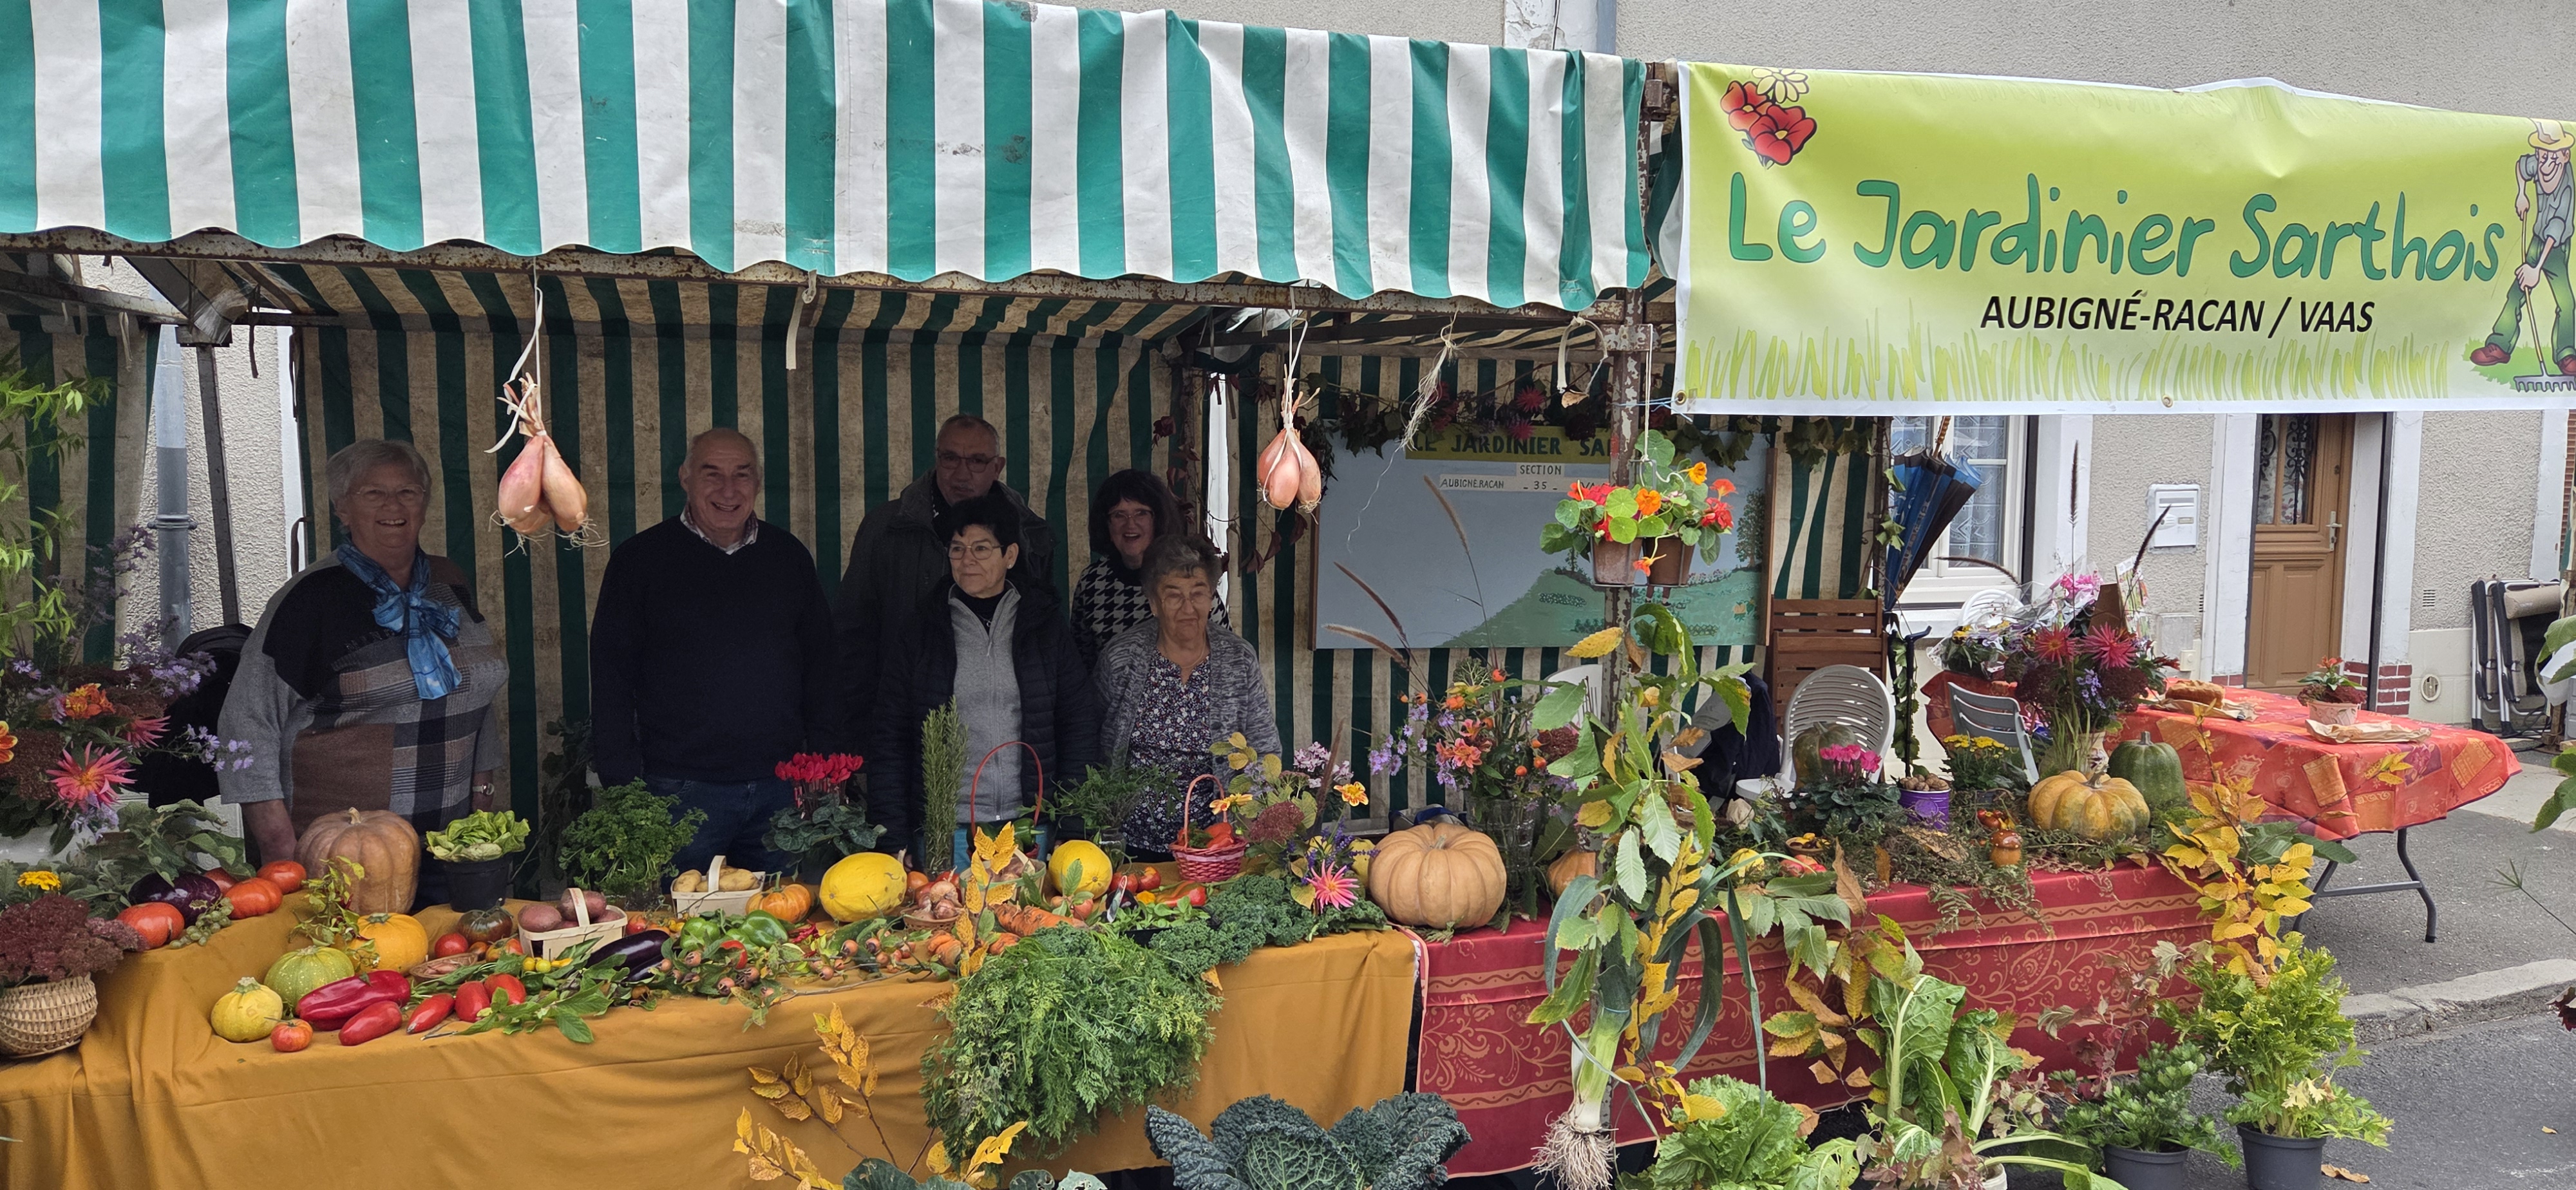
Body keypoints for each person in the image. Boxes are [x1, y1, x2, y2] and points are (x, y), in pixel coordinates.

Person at [219, 440, 506, 905]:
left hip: (448, 845)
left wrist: (482, 792)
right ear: (342, 508)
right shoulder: (311, 599)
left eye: (408, 492)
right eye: (374, 493)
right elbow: (245, 724)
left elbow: (477, 690)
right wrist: (278, 847)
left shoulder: (448, 581)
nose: (394, 506)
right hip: (342, 863)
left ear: (425, 504)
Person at [589, 428, 841, 876]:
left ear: (757, 482)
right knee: (679, 917)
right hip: (677, 792)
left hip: (781, 789)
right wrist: (624, 785)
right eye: (712, 474)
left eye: (742, 475)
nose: (728, 490)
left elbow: (822, 666)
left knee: (784, 913)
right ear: (685, 478)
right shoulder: (640, 560)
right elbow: (611, 675)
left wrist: (821, 766)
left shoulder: (789, 557)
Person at [862, 495, 1099, 858]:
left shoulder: (1043, 626)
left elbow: (1078, 725)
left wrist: (1074, 826)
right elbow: (890, 736)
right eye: (957, 549)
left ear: (1010, 555)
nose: (967, 559)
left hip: (1031, 825)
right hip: (946, 829)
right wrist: (893, 834)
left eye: (981, 548)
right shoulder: (923, 628)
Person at [836, 415, 1056, 739]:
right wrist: (860, 733)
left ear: (997, 467)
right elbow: (853, 635)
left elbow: (1045, 644)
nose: (961, 474)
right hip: (905, 723)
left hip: (1004, 729)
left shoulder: (1030, 534)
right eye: (950, 458)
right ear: (937, 458)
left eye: (977, 461)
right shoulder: (886, 527)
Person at [1095, 534, 1280, 859]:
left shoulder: (1238, 659)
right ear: (1154, 602)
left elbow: (1264, 750)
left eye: (1198, 594)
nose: (1188, 608)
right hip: (1131, 845)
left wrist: (1246, 822)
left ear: (1211, 598)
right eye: (1173, 595)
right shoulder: (1121, 657)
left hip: (1213, 845)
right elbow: (1091, 743)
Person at [1068, 469, 1230, 667]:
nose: (1130, 524)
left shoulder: (1188, 576)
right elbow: (1080, 663)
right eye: (1119, 515)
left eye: (1141, 513)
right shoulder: (1092, 582)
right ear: (1107, 525)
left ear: (1158, 520)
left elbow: (1226, 653)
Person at [2472, 120, 2576, 373]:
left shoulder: (2566, 188)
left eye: (2552, 158)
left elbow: (2558, 226)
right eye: (2542, 156)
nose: (2545, 165)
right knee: (2517, 292)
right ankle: (2500, 345)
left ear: (2565, 156)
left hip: (2556, 247)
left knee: (2566, 303)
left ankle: (2566, 353)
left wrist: (2536, 269)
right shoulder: (2538, 163)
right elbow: (2521, 166)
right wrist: (2521, 193)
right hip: (2538, 239)